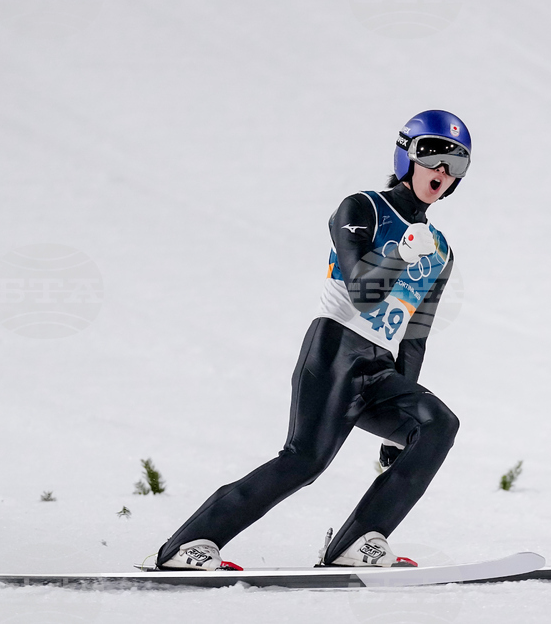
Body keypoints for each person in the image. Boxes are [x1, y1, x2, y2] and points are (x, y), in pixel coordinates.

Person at [155, 109, 472, 570]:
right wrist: (402, 252)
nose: (442, 172)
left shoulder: (439, 250)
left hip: (381, 368)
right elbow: (364, 293)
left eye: (456, 164)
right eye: (432, 155)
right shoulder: (361, 208)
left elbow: (414, 337)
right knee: (304, 461)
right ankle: (186, 546)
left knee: (438, 425)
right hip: (335, 352)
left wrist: (404, 424)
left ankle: (358, 542)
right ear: (405, 156)